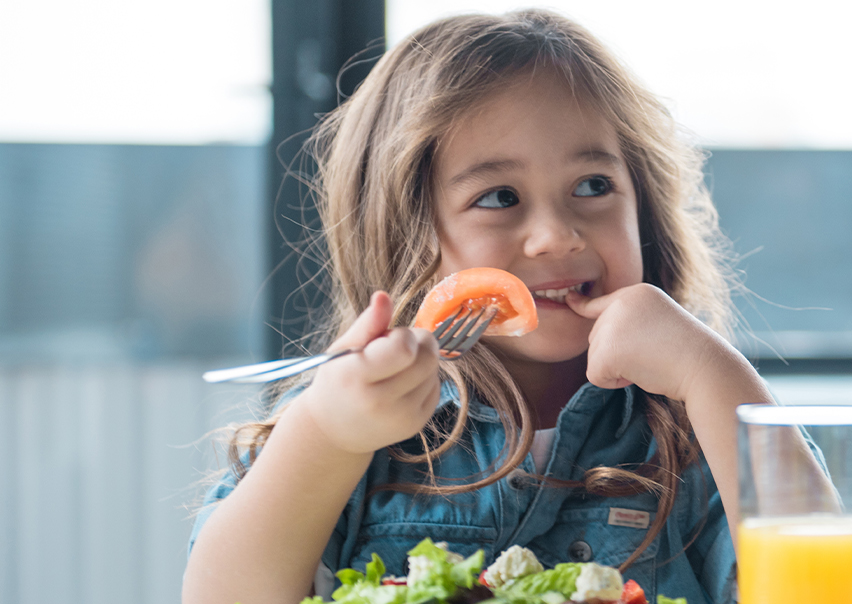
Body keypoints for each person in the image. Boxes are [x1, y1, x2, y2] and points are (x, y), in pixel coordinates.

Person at [184, 10, 813, 604]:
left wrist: (714, 378)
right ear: (406, 235)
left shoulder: (690, 428)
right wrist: (325, 434)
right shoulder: (349, 419)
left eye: (593, 186)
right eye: (499, 196)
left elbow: (825, 586)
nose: (557, 236)